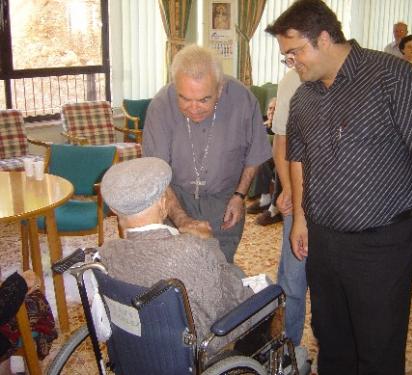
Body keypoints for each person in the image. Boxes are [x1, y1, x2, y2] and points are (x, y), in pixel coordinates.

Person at [265, 1, 412, 374]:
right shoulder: (305, 96)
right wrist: (301, 220)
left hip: (382, 241)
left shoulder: (392, 77)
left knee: (377, 344)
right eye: (286, 57)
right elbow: (299, 159)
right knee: (332, 338)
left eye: (295, 52)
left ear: (324, 37)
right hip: (324, 239)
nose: (292, 63)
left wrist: (404, 185)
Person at [98, 157, 255, 353]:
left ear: (114, 209)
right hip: (193, 352)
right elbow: (225, 301)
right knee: (256, 289)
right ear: (163, 204)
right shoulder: (190, 251)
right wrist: (210, 244)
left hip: (136, 351)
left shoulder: (106, 255)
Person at [142, 44, 272, 263]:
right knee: (176, 267)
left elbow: (254, 153)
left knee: (219, 267)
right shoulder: (161, 105)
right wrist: (181, 219)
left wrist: (240, 196)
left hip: (225, 201)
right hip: (175, 197)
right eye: (184, 98)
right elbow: (157, 173)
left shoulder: (242, 100)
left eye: (204, 99)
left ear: (220, 88)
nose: (194, 108)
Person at [265, 68, 306, 345]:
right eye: (288, 57)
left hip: (337, 206)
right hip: (298, 201)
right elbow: (281, 141)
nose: (293, 61)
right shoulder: (291, 80)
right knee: (292, 281)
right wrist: (288, 188)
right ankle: (289, 348)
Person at [247, 98, 277, 214]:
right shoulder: (261, 123)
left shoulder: (283, 126)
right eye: (270, 108)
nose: (272, 111)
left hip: (275, 158)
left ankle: (265, 198)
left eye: (275, 109)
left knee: (262, 158)